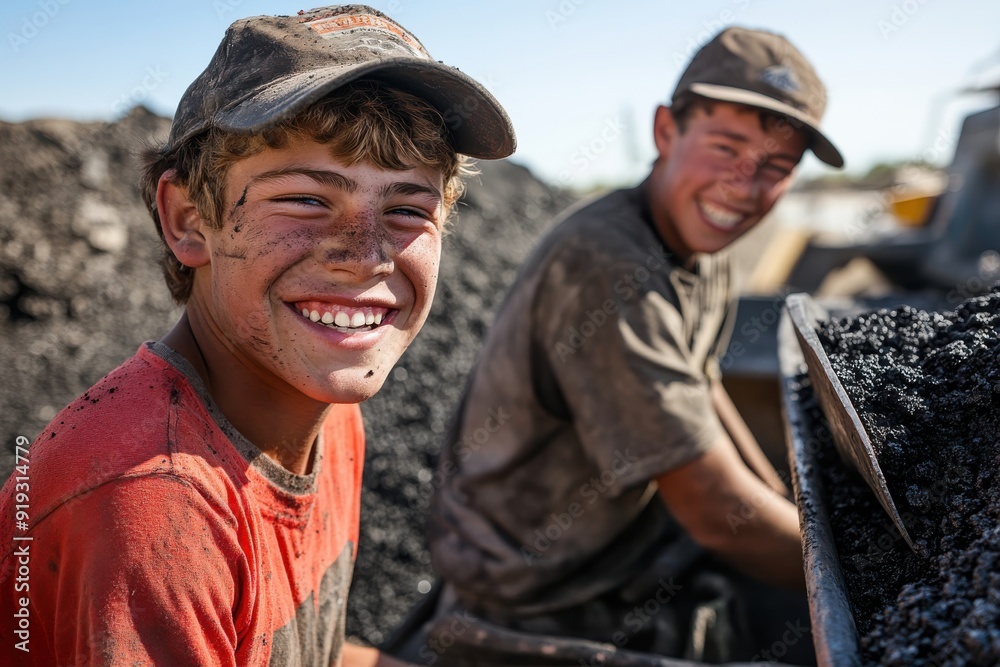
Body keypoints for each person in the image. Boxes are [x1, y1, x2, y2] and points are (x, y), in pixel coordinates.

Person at [0, 5, 514, 665]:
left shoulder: (326, 413)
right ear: (188, 218)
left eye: (407, 207)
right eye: (305, 199)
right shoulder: (153, 505)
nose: (366, 255)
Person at [424, 27, 842, 663]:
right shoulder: (607, 264)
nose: (743, 184)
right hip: (536, 590)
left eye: (776, 168)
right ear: (666, 131)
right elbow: (711, 509)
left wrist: (794, 513)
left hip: (625, 554)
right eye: (726, 147)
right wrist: (866, 583)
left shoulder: (703, 247)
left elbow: (701, 391)